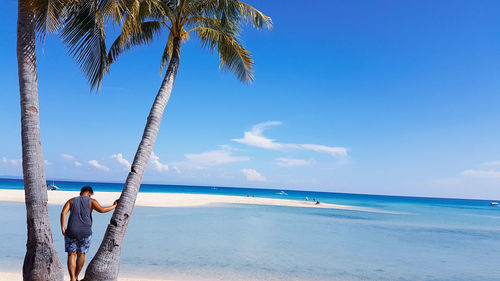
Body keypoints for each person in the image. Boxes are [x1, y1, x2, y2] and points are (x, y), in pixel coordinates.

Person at [60, 186, 118, 281]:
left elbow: (63, 213)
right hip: (85, 232)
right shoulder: (92, 201)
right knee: (81, 254)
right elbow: (102, 210)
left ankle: (72, 278)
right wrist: (114, 206)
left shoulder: (71, 201)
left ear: (81, 192)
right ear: (89, 194)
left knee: (71, 254)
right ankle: (76, 275)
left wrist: (62, 228)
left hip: (71, 231)